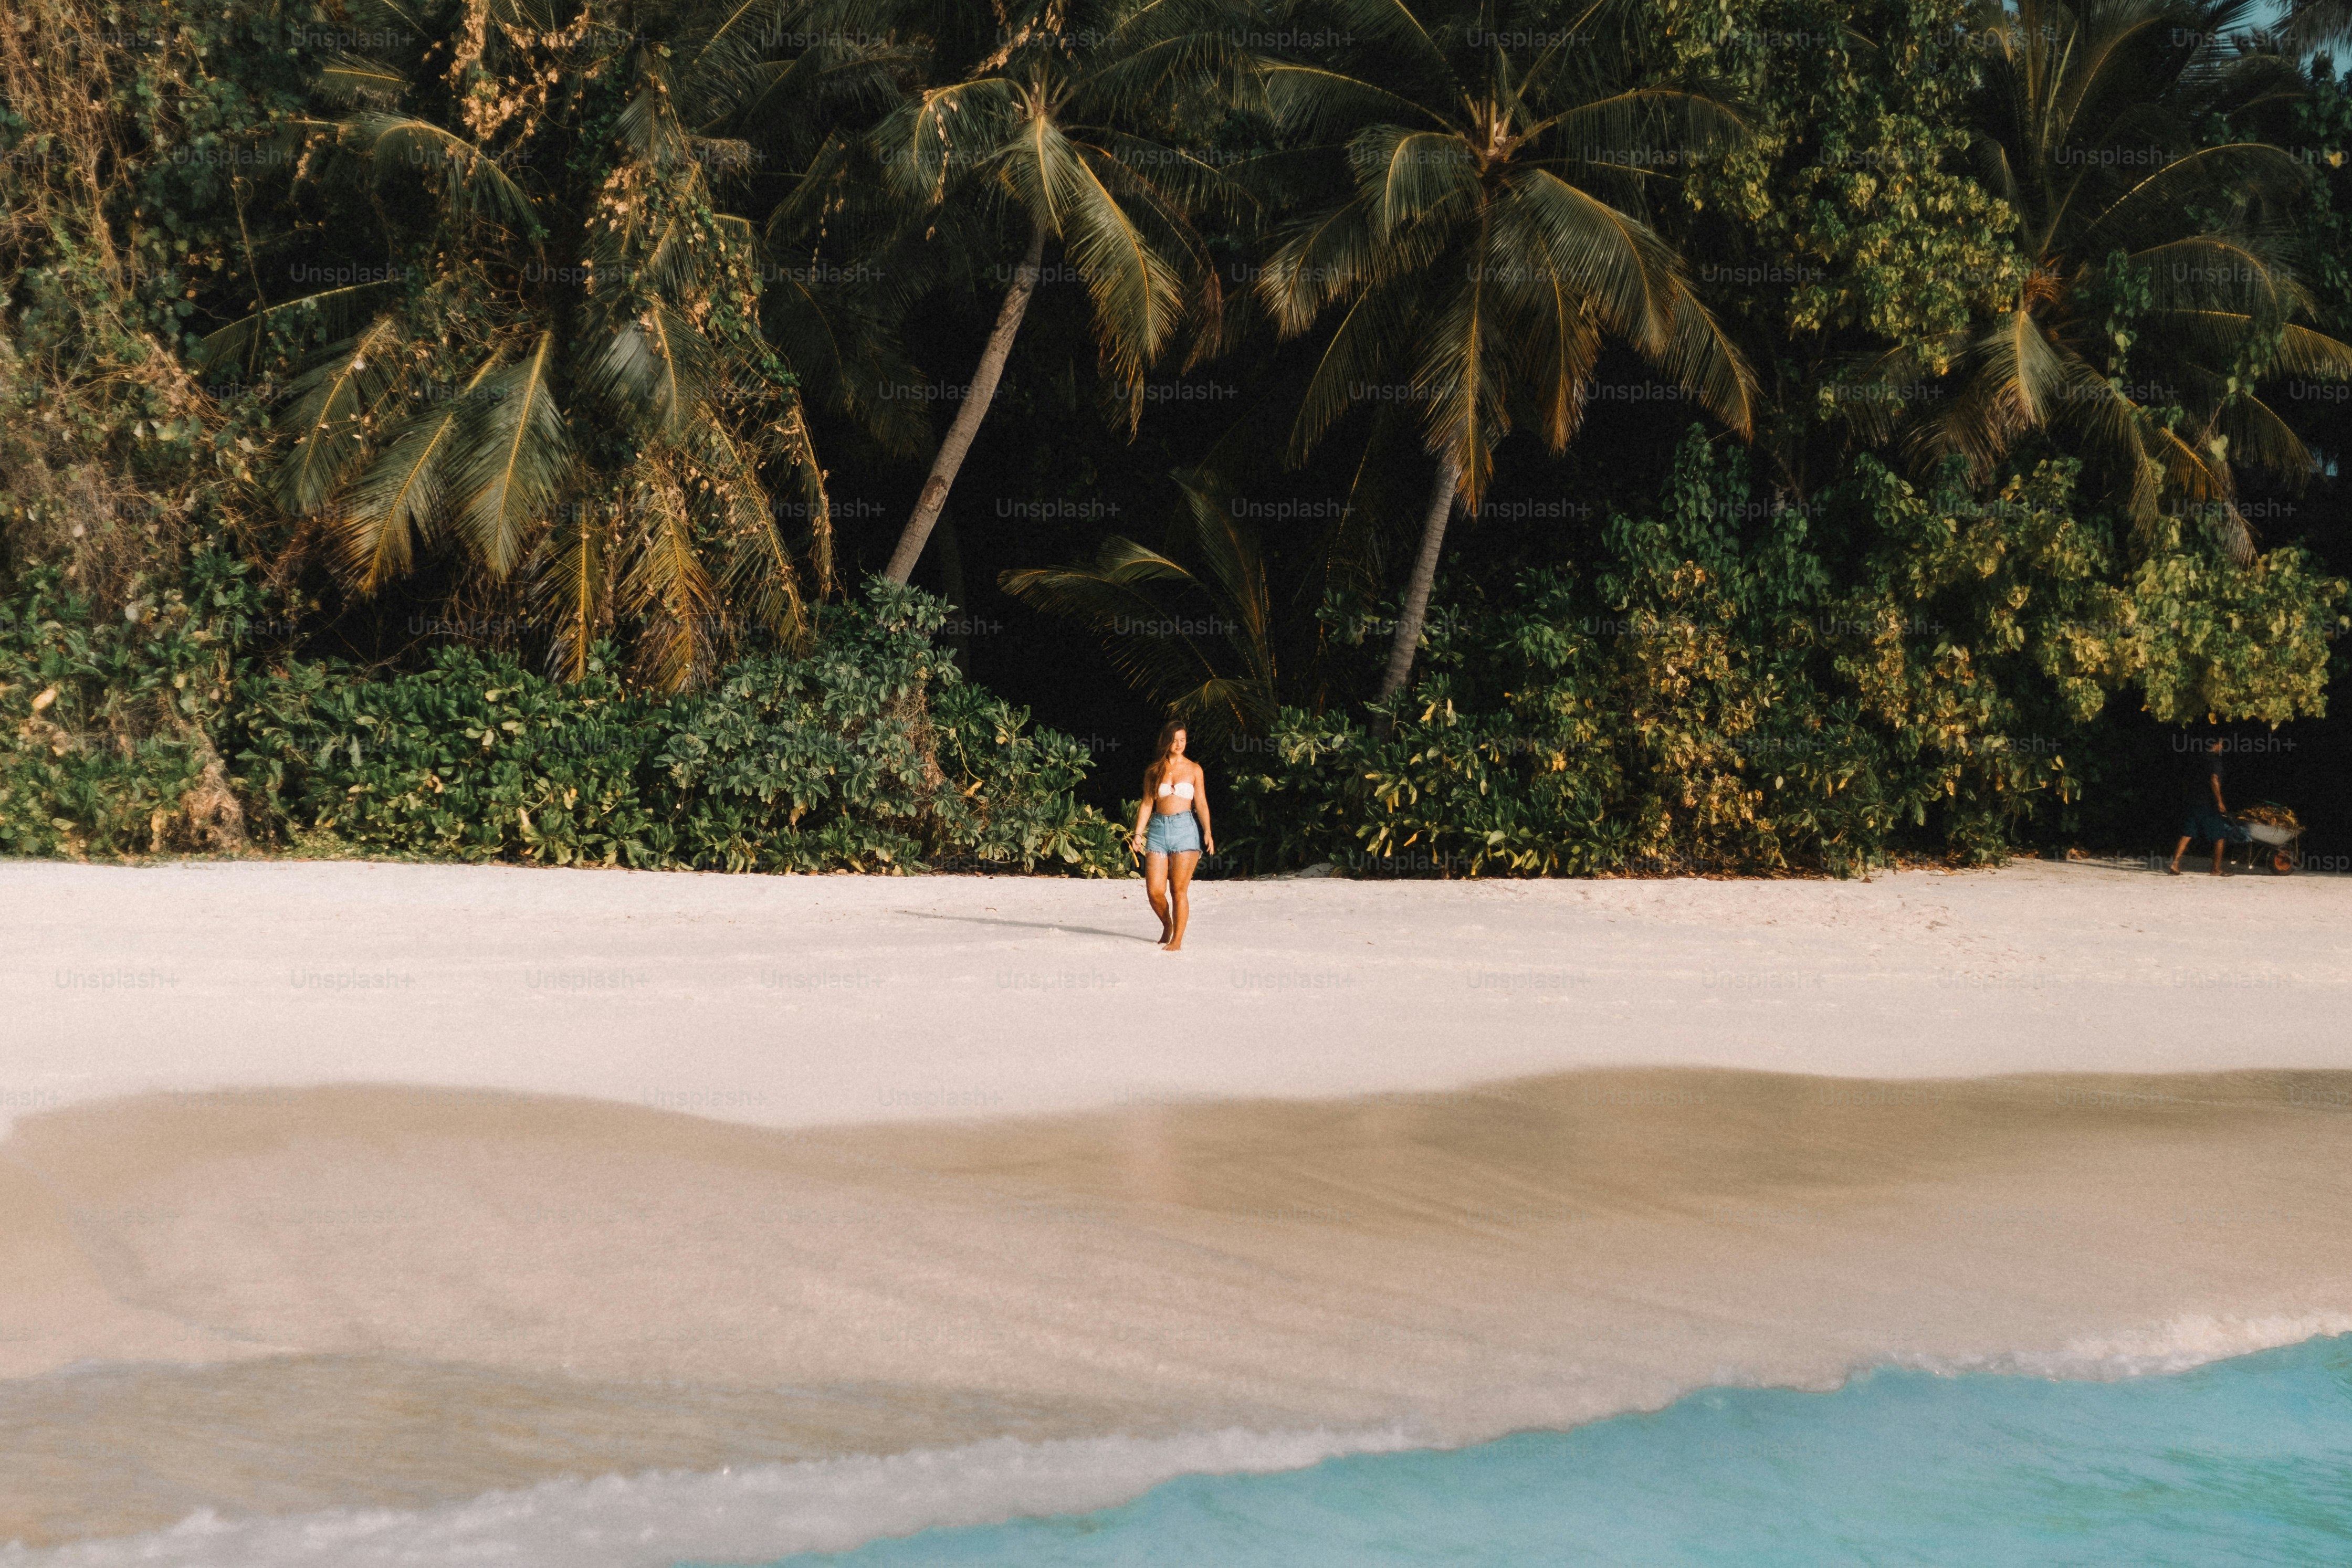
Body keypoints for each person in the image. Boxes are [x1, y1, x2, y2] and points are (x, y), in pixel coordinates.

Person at [1129, 720, 1214, 950]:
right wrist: (1138, 834)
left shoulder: (1195, 769)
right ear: (1166, 741)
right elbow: (1147, 804)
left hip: (1185, 830)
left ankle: (1177, 940)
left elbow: (1201, 803)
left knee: (1178, 890)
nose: (1179, 744)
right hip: (1158, 830)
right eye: (1174, 740)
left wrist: (1207, 831)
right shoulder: (1154, 771)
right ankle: (1168, 924)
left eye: (1182, 740)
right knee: (1154, 891)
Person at [2169, 736, 2249, 876]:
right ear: (2216, 745)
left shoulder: (2198, 760)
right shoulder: (2215, 761)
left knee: (2187, 834)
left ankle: (2175, 864)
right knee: (2220, 837)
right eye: (2222, 744)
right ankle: (2216, 869)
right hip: (2208, 804)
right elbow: (2214, 780)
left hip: (2193, 801)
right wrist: (2220, 801)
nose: (2222, 747)